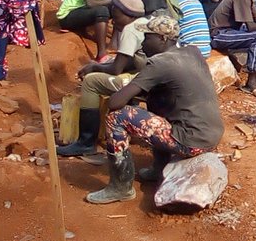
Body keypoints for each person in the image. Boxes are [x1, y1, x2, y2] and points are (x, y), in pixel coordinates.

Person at [86, 15, 224, 204]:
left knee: (117, 117)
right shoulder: (192, 52)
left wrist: (128, 88)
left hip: (192, 139)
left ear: (162, 39)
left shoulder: (160, 63)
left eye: (147, 37)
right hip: (211, 134)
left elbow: (115, 103)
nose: (142, 44)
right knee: (156, 99)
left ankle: (120, 187)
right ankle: (159, 168)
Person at [57, 0, 149, 157]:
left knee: (91, 83)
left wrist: (94, 68)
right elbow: (131, 61)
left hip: (145, 82)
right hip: (151, 76)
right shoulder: (144, 23)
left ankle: (86, 142)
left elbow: (116, 70)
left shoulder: (131, 29)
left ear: (127, 13)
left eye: (116, 13)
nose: (113, 19)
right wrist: (100, 65)